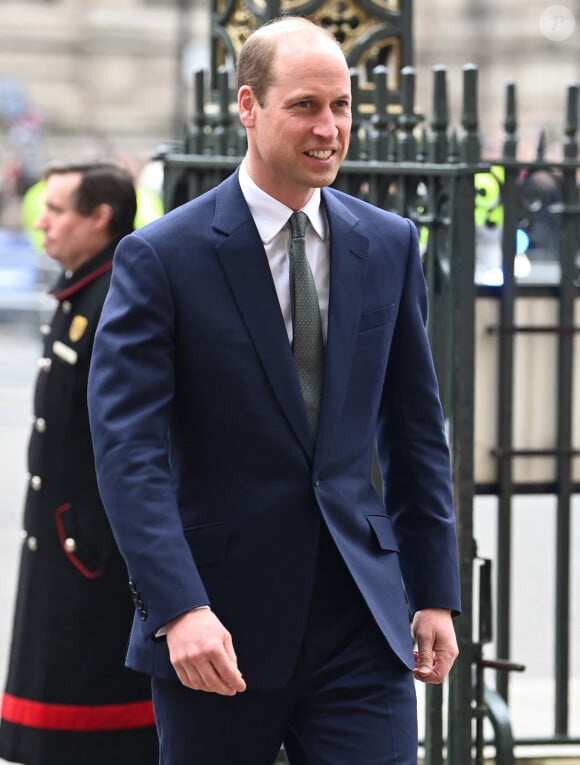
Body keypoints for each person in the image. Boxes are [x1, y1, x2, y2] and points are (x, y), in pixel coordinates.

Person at [88, 16, 461, 765]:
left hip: (362, 616)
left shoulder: (388, 243)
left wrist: (435, 591)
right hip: (218, 625)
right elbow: (129, 451)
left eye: (342, 106)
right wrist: (179, 606)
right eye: (305, 106)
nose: (329, 128)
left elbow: (416, 431)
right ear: (249, 106)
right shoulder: (161, 257)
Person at [0, 160, 158, 765]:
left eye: (58, 211)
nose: (41, 223)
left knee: (97, 732)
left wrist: (85, 539)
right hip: (64, 546)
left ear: (101, 218)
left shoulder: (118, 294)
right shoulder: (81, 289)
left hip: (91, 555)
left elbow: (131, 436)